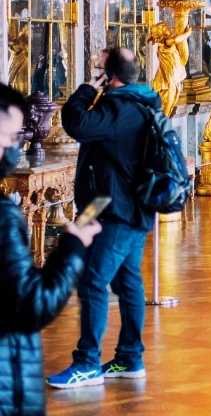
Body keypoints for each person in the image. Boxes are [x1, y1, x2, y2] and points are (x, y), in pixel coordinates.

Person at [50, 48, 160, 388]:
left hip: (117, 209)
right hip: (108, 203)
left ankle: (87, 363)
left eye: (98, 67)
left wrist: (87, 88)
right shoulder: (136, 102)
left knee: (93, 281)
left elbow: (76, 123)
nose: (95, 71)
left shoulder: (121, 107)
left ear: (109, 76)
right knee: (127, 281)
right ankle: (130, 358)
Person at [0, 82, 101, 411]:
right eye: (10, 137)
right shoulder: (2, 217)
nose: (14, 147)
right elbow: (33, 303)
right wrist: (72, 247)